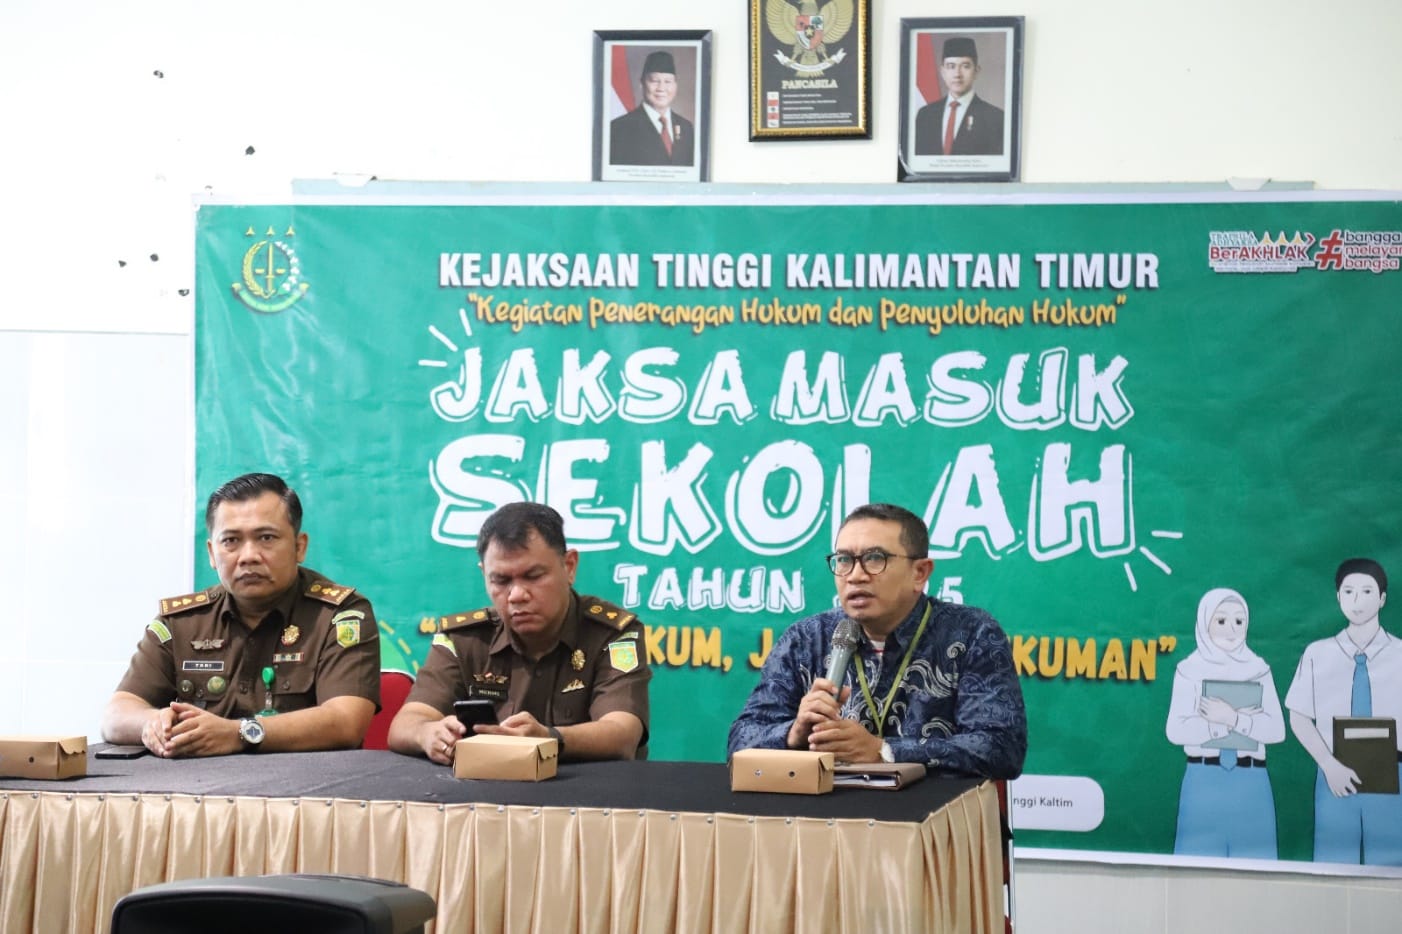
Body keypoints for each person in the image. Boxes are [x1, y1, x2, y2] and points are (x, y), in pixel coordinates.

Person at [727, 503, 1026, 778]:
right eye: (844, 560)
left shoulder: (971, 633)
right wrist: (793, 734)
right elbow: (739, 743)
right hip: (827, 814)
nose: (855, 576)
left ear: (920, 572)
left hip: (929, 816)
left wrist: (884, 752)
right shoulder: (806, 639)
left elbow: (1001, 747)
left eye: (874, 558)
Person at [101, 473, 380, 757]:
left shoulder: (339, 615)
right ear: (212, 553)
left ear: (299, 547)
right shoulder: (181, 623)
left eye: (266, 538)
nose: (248, 556)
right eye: (231, 540)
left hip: (309, 782)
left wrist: (240, 733)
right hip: (197, 782)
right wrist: (152, 723)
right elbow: (116, 714)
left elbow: (346, 721)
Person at [388, 501, 650, 764]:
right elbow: (405, 724)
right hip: (485, 786)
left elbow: (622, 734)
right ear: (484, 575)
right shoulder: (465, 639)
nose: (516, 595)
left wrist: (549, 739)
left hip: (588, 788)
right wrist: (427, 734)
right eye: (501, 580)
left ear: (569, 566)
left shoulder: (611, 634)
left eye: (533, 576)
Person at [1285, 558, 1402, 865]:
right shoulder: (1317, 653)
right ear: (1338, 597)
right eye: (1348, 591)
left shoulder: (1400, 655)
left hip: (1393, 775)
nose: (1357, 600)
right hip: (1333, 772)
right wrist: (1328, 764)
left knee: (1391, 873)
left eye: (1367, 591)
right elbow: (1298, 715)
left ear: (1383, 598)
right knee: (1332, 866)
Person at [1165, 588, 1284, 858]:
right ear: (1204, 622)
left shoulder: (1259, 669)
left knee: (1257, 868)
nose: (1231, 630)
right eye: (1221, 621)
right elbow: (1175, 729)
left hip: (1252, 781)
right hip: (1202, 780)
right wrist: (1218, 725)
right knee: (1195, 867)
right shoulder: (1189, 670)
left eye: (1239, 621)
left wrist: (1232, 718)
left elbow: (1276, 730)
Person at [914, 36, 1005, 157]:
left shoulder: (995, 118)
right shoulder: (925, 115)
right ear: (943, 72)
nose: (957, 74)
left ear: (976, 71)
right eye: (951, 66)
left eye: (965, 66)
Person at [608, 50, 695, 167]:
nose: (661, 88)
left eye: (668, 81)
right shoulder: (619, 128)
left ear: (675, 86)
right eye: (655, 81)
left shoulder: (686, 127)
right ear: (642, 84)